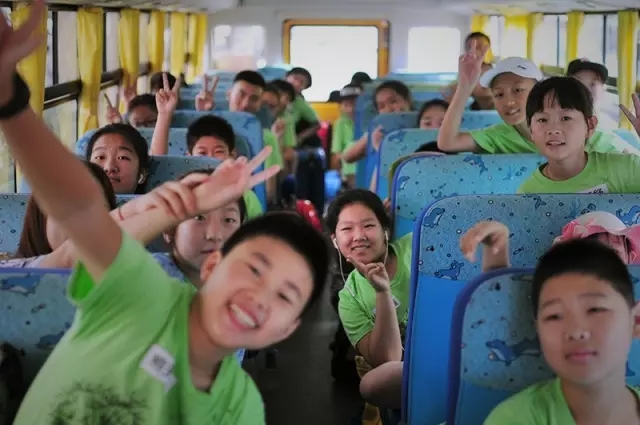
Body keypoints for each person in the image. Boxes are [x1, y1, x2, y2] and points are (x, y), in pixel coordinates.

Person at [0, 7, 331, 422]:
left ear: (287, 329)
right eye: (253, 270)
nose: (258, 297)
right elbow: (79, 211)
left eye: (284, 297)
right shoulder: (143, 292)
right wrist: (9, 99)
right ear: (212, 265)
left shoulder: (241, 407)